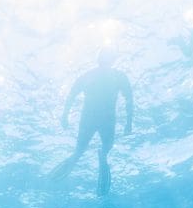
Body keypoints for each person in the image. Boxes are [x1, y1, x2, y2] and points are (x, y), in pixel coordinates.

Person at [50, 49, 133, 196]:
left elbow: (72, 94)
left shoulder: (95, 76)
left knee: (83, 150)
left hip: (93, 118)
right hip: (104, 118)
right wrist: (128, 122)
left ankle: (99, 156)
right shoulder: (117, 76)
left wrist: (65, 115)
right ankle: (101, 156)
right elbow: (129, 99)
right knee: (99, 148)